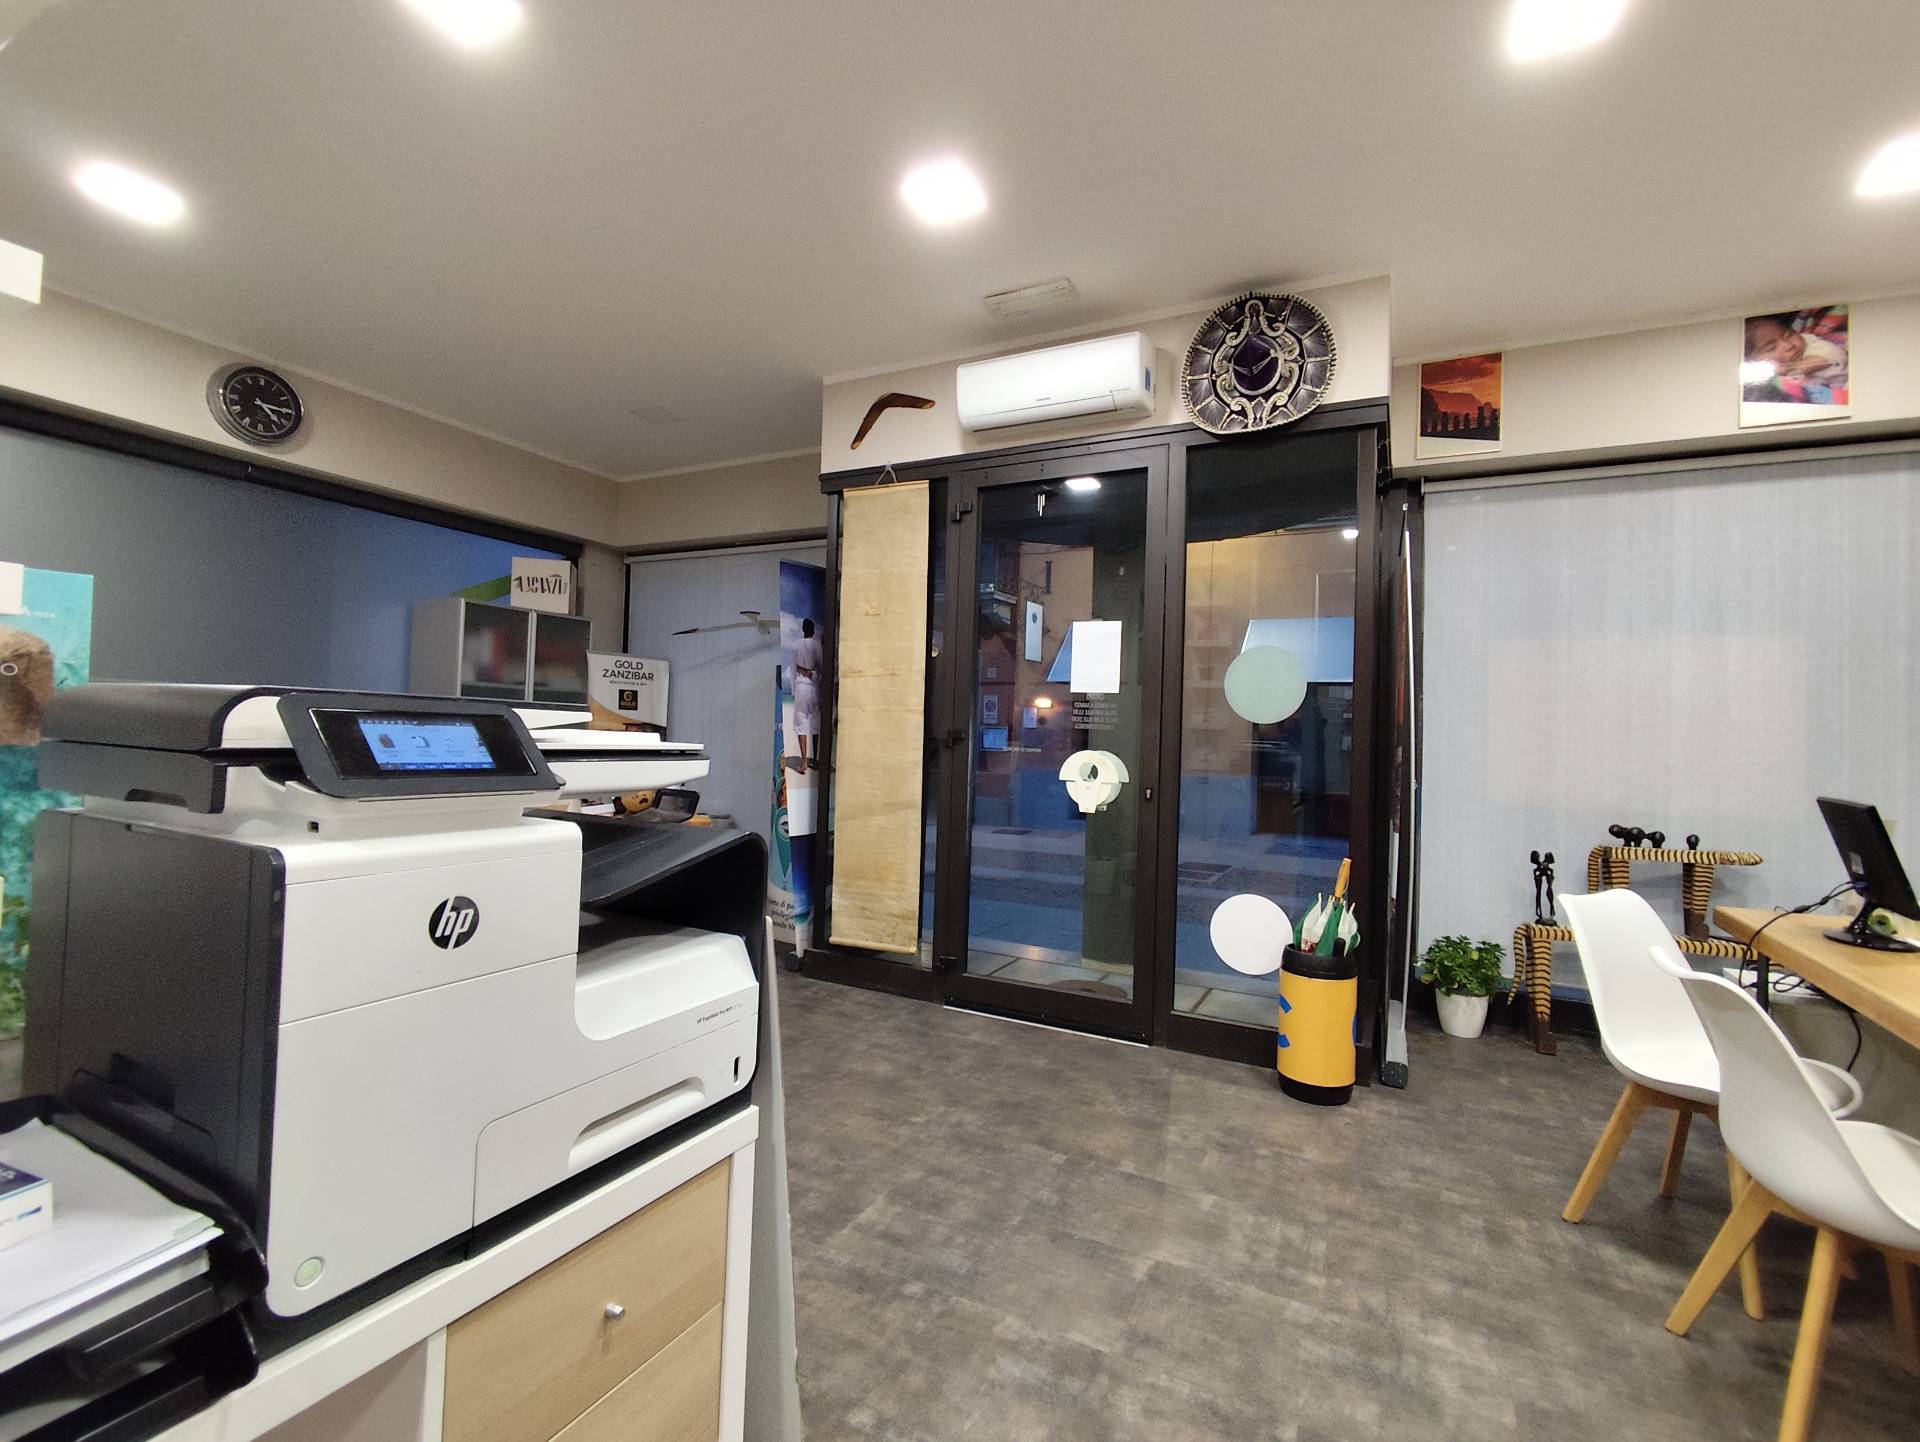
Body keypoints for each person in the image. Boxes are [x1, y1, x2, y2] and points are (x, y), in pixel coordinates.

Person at [1743, 311, 1848, 403]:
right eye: (1771, 348)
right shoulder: (1766, 380)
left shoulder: (1810, 343)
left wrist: (1794, 368)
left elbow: (1829, 356)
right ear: (1753, 361)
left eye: (1789, 335)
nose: (1789, 345)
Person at [788, 617, 822, 773]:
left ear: (803, 630)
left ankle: (804, 763)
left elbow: (793, 671)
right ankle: (815, 760)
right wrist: (815, 676)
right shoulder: (817, 645)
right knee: (815, 722)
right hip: (814, 688)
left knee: (801, 724)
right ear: (813, 631)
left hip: (801, 687)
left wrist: (793, 691)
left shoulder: (795, 646)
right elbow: (821, 667)